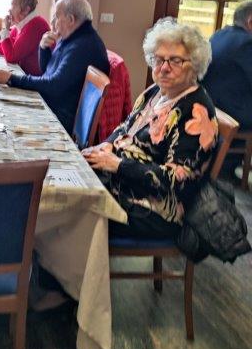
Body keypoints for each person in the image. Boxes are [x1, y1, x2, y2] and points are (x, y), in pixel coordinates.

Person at [83, 18, 218, 239]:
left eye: (175, 61)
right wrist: (107, 145)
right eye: (158, 59)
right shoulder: (155, 91)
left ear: (195, 65)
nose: (164, 68)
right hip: (122, 182)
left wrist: (117, 164)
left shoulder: (196, 112)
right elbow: (126, 127)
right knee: (68, 181)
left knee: (77, 206)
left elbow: (177, 182)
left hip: (154, 209)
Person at [0, 0, 109, 133]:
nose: (53, 22)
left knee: (4, 117)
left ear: (71, 20)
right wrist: (43, 48)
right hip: (54, 105)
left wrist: (11, 79)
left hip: (60, 119)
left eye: (56, 17)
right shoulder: (72, 38)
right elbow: (47, 71)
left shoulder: (83, 46)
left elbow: (53, 85)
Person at [202, 0, 252, 131]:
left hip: (211, 104)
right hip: (234, 113)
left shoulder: (219, 34)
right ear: (250, 22)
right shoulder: (247, 43)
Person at [0, 0, 50, 75]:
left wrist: (6, 29)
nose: (9, 10)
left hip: (35, 79)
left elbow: (11, 57)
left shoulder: (35, 25)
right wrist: (6, 31)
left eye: (13, 6)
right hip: (25, 75)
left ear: (26, 10)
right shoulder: (21, 25)